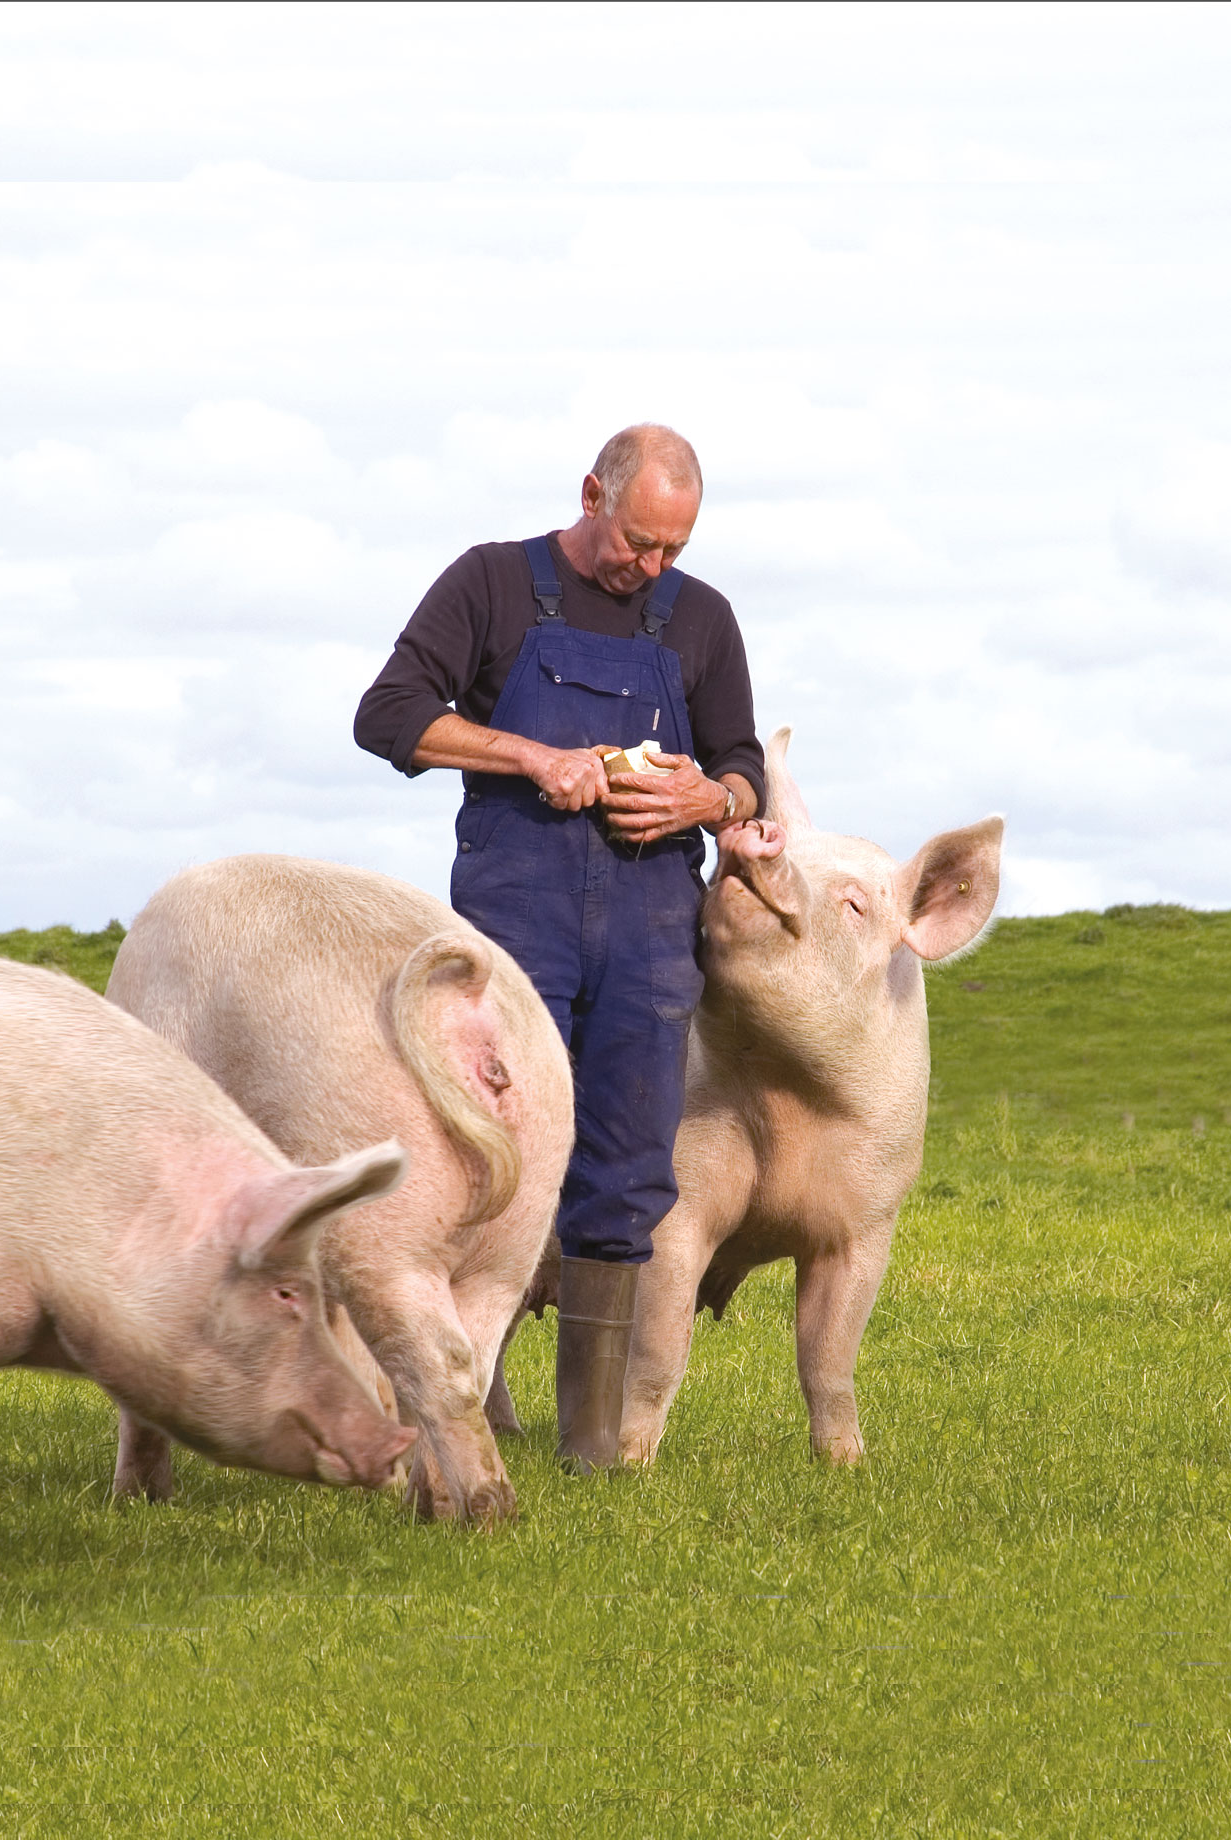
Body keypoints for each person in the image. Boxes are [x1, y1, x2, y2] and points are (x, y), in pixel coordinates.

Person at [354, 424, 764, 1470]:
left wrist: (707, 797)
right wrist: (530, 755)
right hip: (514, 915)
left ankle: (587, 1438)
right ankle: (468, 1406)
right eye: (636, 541)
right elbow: (388, 715)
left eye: (671, 548)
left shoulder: (699, 619)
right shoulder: (492, 586)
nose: (650, 567)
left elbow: (740, 765)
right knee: (485, 1154)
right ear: (590, 493)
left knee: (625, 1170)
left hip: (648, 928)